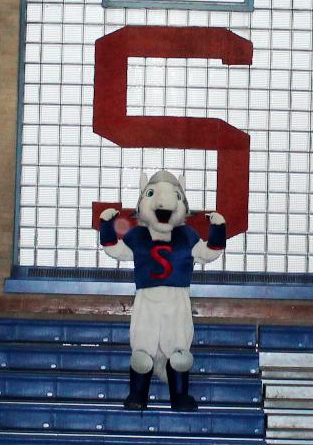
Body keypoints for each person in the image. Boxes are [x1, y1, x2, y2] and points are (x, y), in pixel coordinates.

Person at [96, 171, 227, 410]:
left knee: (178, 348)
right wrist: (106, 225)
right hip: (146, 298)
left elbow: (209, 252)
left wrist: (218, 229)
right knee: (142, 348)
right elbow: (114, 249)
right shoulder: (138, 236)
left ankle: (179, 396)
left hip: (177, 299)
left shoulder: (187, 236)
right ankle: (138, 394)